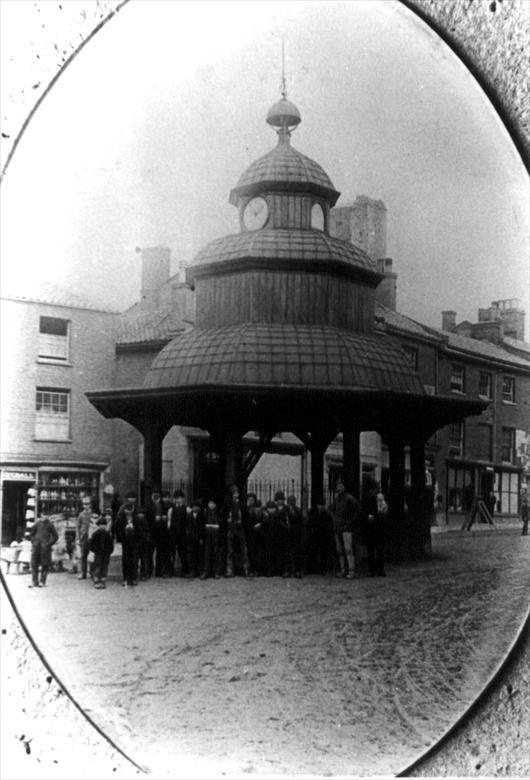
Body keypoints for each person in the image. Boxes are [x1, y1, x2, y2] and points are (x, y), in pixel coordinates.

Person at [332, 480, 362, 579]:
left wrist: (349, 523)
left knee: (348, 550)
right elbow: (334, 511)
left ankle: (351, 571)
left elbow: (357, 511)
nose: (339, 488)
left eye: (340, 486)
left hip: (347, 528)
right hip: (338, 528)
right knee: (339, 550)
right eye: (337, 486)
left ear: (344, 487)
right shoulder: (336, 500)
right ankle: (343, 570)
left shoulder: (349, 498)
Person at [225, 486, 250, 577]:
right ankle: (230, 570)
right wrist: (228, 520)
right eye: (234, 493)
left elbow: (246, 516)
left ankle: (246, 569)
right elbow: (224, 515)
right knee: (230, 551)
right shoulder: (228, 505)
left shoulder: (242, 505)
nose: (236, 495)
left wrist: (242, 521)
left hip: (240, 529)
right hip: (231, 528)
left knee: (243, 550)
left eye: (237, 493)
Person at [28, 514, 58, 588]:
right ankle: (34, 582)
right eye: (43, 515)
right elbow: (31, 534)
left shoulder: (50, 525)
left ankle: (42, 581)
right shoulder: (37, 524)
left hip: (45, 548)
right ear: (41, 515)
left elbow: (56, 536)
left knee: (45, 565)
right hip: (36, 547)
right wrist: (34, 542)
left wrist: (49, 544)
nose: (44, 517)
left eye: (46, 515)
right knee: (34, 564)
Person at [167, 491, 189, 577]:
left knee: (183, 552)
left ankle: (185, 571)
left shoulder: (186, 509)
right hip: (173, 533)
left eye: (180, 498)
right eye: (176, 498)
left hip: (182, 534)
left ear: (183, 499)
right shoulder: (171, 509)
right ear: (174, 499)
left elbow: (188, 522)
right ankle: (170, 571)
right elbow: (169, 522)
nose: (178, 500)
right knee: (171, 552)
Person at [89, 516, 114, 589]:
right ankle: (97, 580)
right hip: (98, 553)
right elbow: (92, 544)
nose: (103, 526)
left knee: (105, 567)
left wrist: (109, 551)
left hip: (106, 553)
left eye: (104, 525)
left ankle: (103, 580)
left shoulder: (107, 534)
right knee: (98, 566)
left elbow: (111, 544)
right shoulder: (95, 534)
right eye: (101, 525)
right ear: (98, 525)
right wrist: (95, 550)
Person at [366, 493, 388, 577]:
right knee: (372, 551)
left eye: (381, 499)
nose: (380, 501)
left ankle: (379, 569)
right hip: (373, 531)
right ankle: (373, 570)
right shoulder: (373, 506)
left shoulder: (384, 506)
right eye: (378, 499)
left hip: (379, 531)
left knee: (379, 551)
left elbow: (383, 517)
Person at [200, 499, 221, 579]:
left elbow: (221, 523)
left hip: (216, 535)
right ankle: (206, 571)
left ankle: (216, 572)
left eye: (213, 503)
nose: (211, 505)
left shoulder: (218, 512)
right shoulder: (205, 512)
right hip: (207, 536)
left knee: (216, 553)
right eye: (210, 503)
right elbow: (202, 523)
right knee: (207, 554)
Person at [245, 493, 265, 576]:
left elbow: (264, 520)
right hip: (250, 534)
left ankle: (258, 570)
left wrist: (260, 525)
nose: (250, 501)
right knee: (251, 553)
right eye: (249, 500)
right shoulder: (246, 510)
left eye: (252, 500)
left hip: (259, 534)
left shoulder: (259, 509)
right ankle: (252, 570)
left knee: (258, 552)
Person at [286, 495, 304, 578]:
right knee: (288, 553)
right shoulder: (285, 510)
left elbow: (300, 522)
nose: (291, 503)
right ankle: (289, 571)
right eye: (289, 501)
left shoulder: (298, 510)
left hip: (296, 534)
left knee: (297, 553)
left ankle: (297, 571)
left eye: (292, 501)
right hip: (288, 533)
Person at [76, 496, 93, 580]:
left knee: (92, 555)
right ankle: (83, 573)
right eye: (84, 504)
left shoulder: (93, 514)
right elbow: (78, 527)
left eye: (88, 504)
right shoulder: (81, 515)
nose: (86, 506)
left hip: (92, 537)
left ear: (90, 505)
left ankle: (93, 572)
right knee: (83, 556)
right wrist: (78, 538)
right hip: (84, 537)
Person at [120, 509, 139, 587]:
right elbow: (119, 533)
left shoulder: (136, 522)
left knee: (134, 561)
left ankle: (133, 578)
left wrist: (133, 529)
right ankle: (125, 579)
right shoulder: (122, 522)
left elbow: (139, 532)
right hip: (126, 544)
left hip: (134, 543)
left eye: (130, 515)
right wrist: (125, 530)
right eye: (127, 515)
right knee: (126, 561)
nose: (129, 517)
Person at [186, 500, 203, 578]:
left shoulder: (201, 516)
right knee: (191, 555)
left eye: (197, 507)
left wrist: (201, 538)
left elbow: (201, 528)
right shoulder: (189, 515)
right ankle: (192, 570)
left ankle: (199, 570)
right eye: (194, 507)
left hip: (198, 538)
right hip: (190, 538)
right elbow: (187, 527)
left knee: (199, 554)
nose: (195, 508)